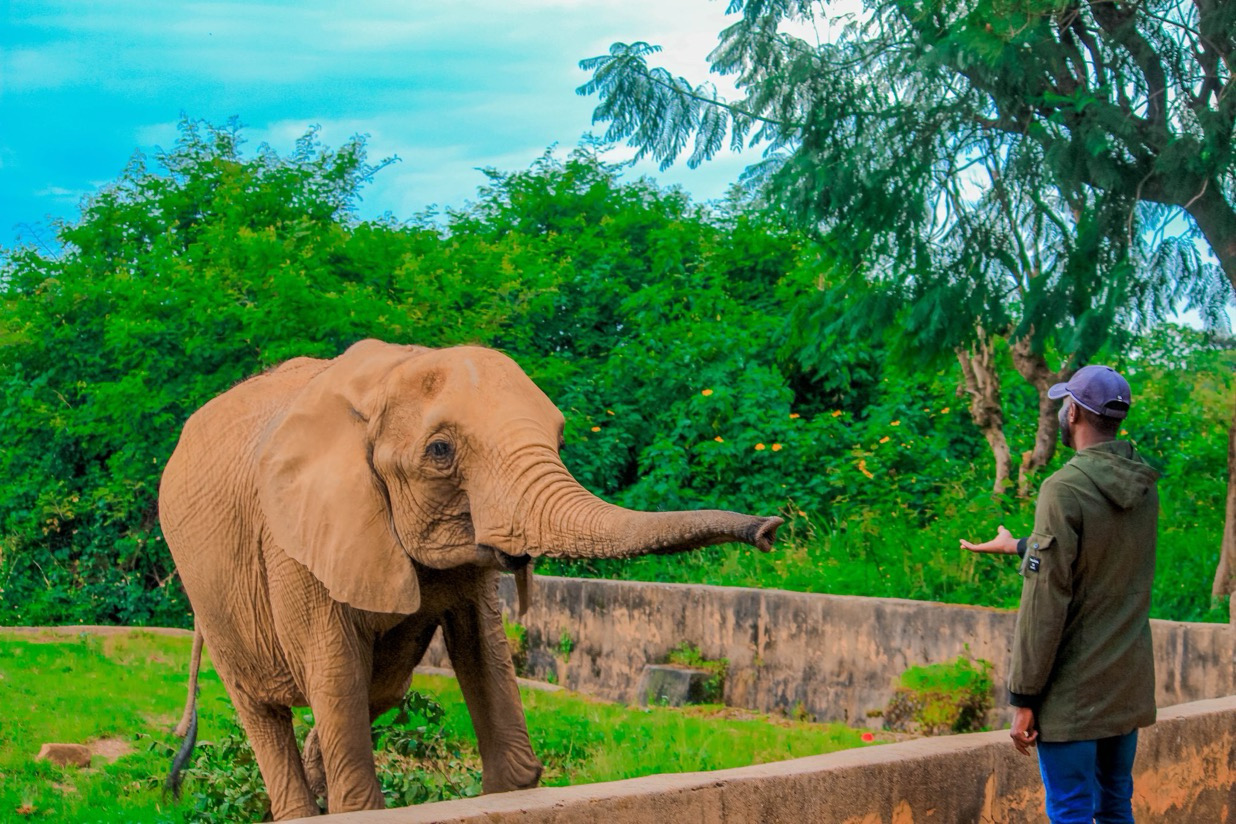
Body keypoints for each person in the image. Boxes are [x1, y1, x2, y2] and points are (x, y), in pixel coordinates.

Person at [960, 365, 1159, 824]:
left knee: (1070, 811)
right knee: (1114, 807)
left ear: (1073, 414)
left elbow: (1043, 603)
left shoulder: (1063, 488)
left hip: (1073, 696)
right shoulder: (1142, 488)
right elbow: (1102, 559)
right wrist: (1018, 545)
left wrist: (1023, 697)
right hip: (1125, 689)